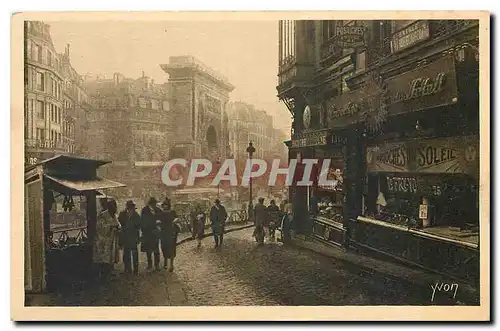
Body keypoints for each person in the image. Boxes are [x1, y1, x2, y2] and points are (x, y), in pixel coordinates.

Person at [93, 199, 121, 279]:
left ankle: (110, 271)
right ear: (109, 207)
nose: (114, 208)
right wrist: (110, 227)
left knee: (112, 257)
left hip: (113, 239)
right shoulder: (103, 215)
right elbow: (99, 227)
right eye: (112, 207)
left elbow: (118, 224)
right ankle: (103, 274)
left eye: (115, 206)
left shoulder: (115, 215)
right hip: (104, 240)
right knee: (104, 257)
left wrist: (118, 228)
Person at [118, 200, 141, 274]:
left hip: (133, 236)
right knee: (126, 254)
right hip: (125, 236)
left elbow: (138, 226)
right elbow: (119, 223)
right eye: (131, 207)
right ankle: (127, 269)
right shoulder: (122, 214)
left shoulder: (136, 215)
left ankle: (135, 269)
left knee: (134, 253)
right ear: (128, 207)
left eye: (133, 207)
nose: (132, 209)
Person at [140, 197, 162, 271]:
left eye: (155, 204)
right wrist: (145, 230)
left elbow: (161, 220)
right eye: (153, 204)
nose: (154, 205)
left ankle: (157, 265)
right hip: (147, 233)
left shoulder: (158, 210)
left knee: (156, 249)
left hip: (155, 232)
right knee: (148, 250)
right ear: (150, 204)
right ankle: (149, 264)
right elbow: (142, 221)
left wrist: (159, 227)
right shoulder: (144, 210)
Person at [159, 201, 179, 271]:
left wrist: (174, 220)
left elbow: (177, 218)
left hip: (171, 232)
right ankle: (165, 263)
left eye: (166, 205)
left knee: (172, 248)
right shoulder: (161, 213)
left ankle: (171, 265)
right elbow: (158, 220)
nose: (165, 206)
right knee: (164, 247)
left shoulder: (172, 212)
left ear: (168, 205)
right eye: (164, 205)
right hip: (164, 232)